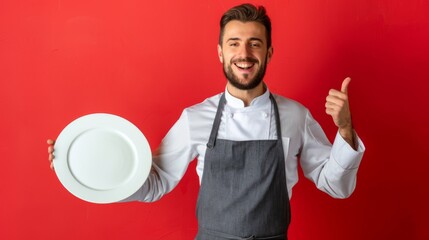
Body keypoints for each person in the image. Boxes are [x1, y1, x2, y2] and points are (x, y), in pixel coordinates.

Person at [48, 3, 365, 239]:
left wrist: (345, 130)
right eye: (234, 43)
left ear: (269, 53)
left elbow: (335, 185)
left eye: (255, 43)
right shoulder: (195, 118)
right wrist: (86, 164)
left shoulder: (295, 116)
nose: (245, 52)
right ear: (220, 53)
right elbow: (155, 181)